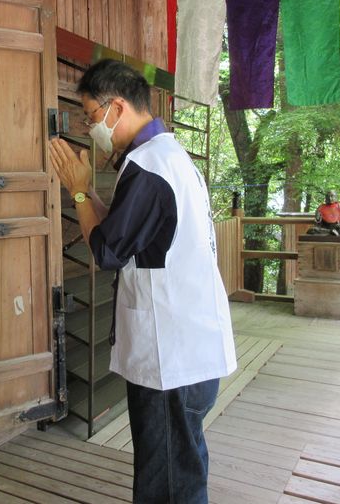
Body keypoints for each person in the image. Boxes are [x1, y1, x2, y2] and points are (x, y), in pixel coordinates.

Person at [48, 59, 237, 503]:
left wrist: (77, 190)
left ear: (117, 107)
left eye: (93, 117)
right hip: (185, 347)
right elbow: (126, 234)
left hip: (172, 356)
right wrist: (91, 193)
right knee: (178, 469)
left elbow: (108, 251)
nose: (93, 128)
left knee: (167, 482)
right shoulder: (167, 158)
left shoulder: (149, 166)